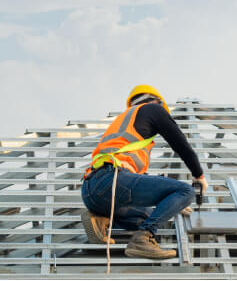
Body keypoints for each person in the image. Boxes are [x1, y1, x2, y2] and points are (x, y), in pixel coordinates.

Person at [81, 84, 208, 259]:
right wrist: (198, 175)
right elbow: (180, 143)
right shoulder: (153, 109)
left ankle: (102, 219)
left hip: (93, 191)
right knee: (185, 190)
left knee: (150, 216)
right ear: (158, 102)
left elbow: (136, 181)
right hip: (111, 179)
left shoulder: (124, 122)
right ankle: (143, 239)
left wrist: (174, 205)